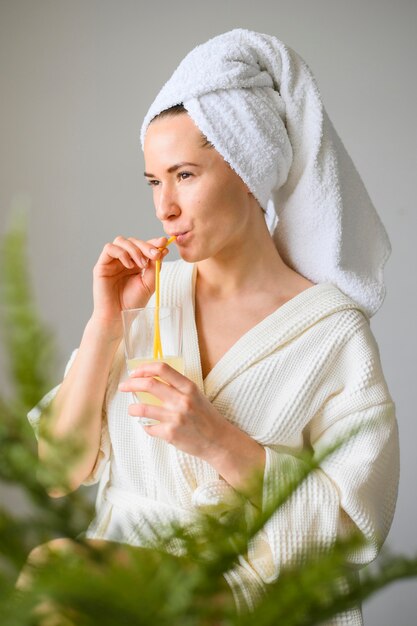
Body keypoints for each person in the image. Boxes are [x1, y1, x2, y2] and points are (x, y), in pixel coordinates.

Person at [26, 29, 399, 624]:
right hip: (118, 577)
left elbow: (352, 529)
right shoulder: (146, 301)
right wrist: (106, 325)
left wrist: (218, 442)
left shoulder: (331, 334)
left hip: (246, 591)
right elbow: (53, 475)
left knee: (58, 570)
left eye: (185, 175)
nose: (163, 207)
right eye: (154, 181)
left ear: (249, 170)